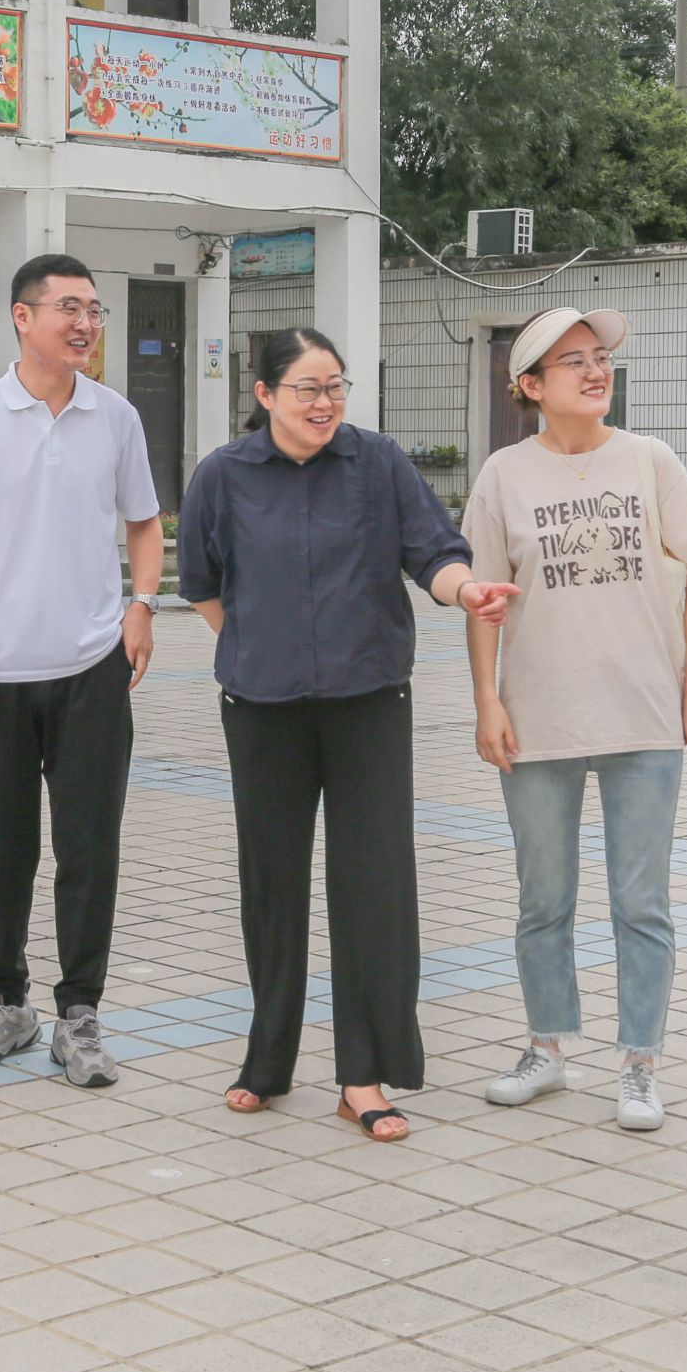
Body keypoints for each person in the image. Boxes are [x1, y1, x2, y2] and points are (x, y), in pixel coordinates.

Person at [177, 328, 515, 1143]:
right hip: (262, 708)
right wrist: (259, 646)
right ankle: (267, 1060)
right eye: (307, 388)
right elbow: (203, 585)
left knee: (374, 885)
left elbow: (433, 553)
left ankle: (362, 1076)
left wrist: (465, 591)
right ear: (265, 395)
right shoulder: (223, 475)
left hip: (368, 701)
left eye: (335, 386)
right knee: (272, 885)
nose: (324, 402)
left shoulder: (378, 463)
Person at [465, 307, 687, 1134]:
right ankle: (546, 1047)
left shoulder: (650, 459)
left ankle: (640, 1064)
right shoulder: (504, 475)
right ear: (531, 385)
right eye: (572, 361)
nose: (595, 370)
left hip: (644, 716)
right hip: (538, 717)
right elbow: (482, 599)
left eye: (600, 357)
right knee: (542, 897)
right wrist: (487, 701)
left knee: (641, 902)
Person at [0, 254, 163, 1087]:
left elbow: (145, 523)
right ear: (22, 317)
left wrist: (141, 605)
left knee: (89, 846)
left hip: (93, 668)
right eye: (68, 307)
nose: (86, 323)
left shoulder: (116, 417)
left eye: (93, 309)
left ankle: (80, 1011)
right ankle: (5, 999)